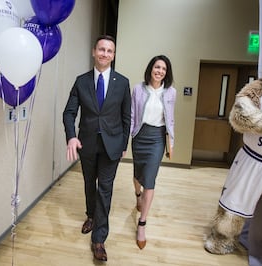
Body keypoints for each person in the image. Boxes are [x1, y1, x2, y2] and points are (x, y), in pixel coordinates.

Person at [62, 35, 131, 261]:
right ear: (94, 52)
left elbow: (126, 117)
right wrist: (71, 137)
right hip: (87, 144)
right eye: (101, 49)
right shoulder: (81, 81)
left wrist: (123, 144)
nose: (105, 54)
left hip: (112, 145)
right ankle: (91, 215)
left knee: (105, 189)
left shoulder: (122, 82)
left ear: (113, 55)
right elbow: (69, 112)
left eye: (109, 51)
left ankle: (99, 239)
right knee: (89, 184)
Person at [130, 55, 176, 249]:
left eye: (163, 69)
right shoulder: (138, 89)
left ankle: (142, 223)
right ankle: (137, 195)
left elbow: (171, 118)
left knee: (150, 179)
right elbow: (132, 114)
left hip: (157, 138)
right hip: (139, 136)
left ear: (167, 73)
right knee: (137, 175)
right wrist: (127, 139)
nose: (160, 71)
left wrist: (171, 142)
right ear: (151, 69)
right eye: (157, 67)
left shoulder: (171, 92)